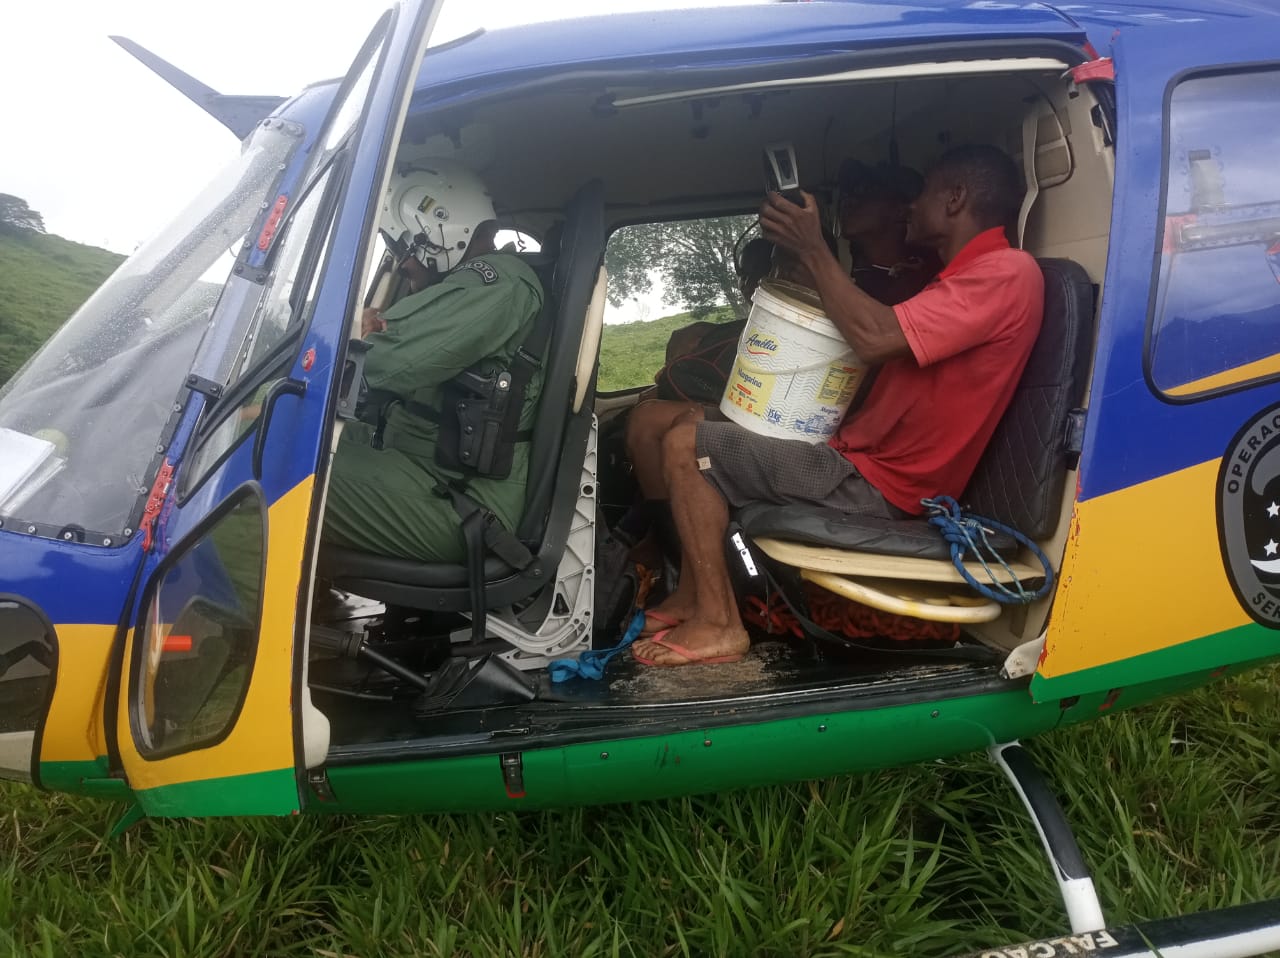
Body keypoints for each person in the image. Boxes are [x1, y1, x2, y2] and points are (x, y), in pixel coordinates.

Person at [627, 144, 1044, 667]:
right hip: (854, 456)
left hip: (882, 485)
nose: (911, 205)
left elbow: (874, 338)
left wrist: (813, 248)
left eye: (921, 193)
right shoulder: (956, 278)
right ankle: (692, 596)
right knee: (672, 421)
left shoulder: (1006, 273)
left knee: (688, 446)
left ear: (956, 198)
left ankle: (719, 624)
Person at [322, 161, 544, 563]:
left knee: (258, 462)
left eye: (403, 250)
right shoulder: (472, 285)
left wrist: (363, 336)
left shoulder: (498, 282)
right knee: (255, 430)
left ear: (441, 231)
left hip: (460, 500)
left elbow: (389, 359)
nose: (402, 264)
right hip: (419, 461)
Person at [837, 160, 940, 306]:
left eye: (866, 191)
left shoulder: (924, 286)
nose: (848, 202)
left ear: (901, 211)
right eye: (848, 194)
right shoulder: (862, 280)